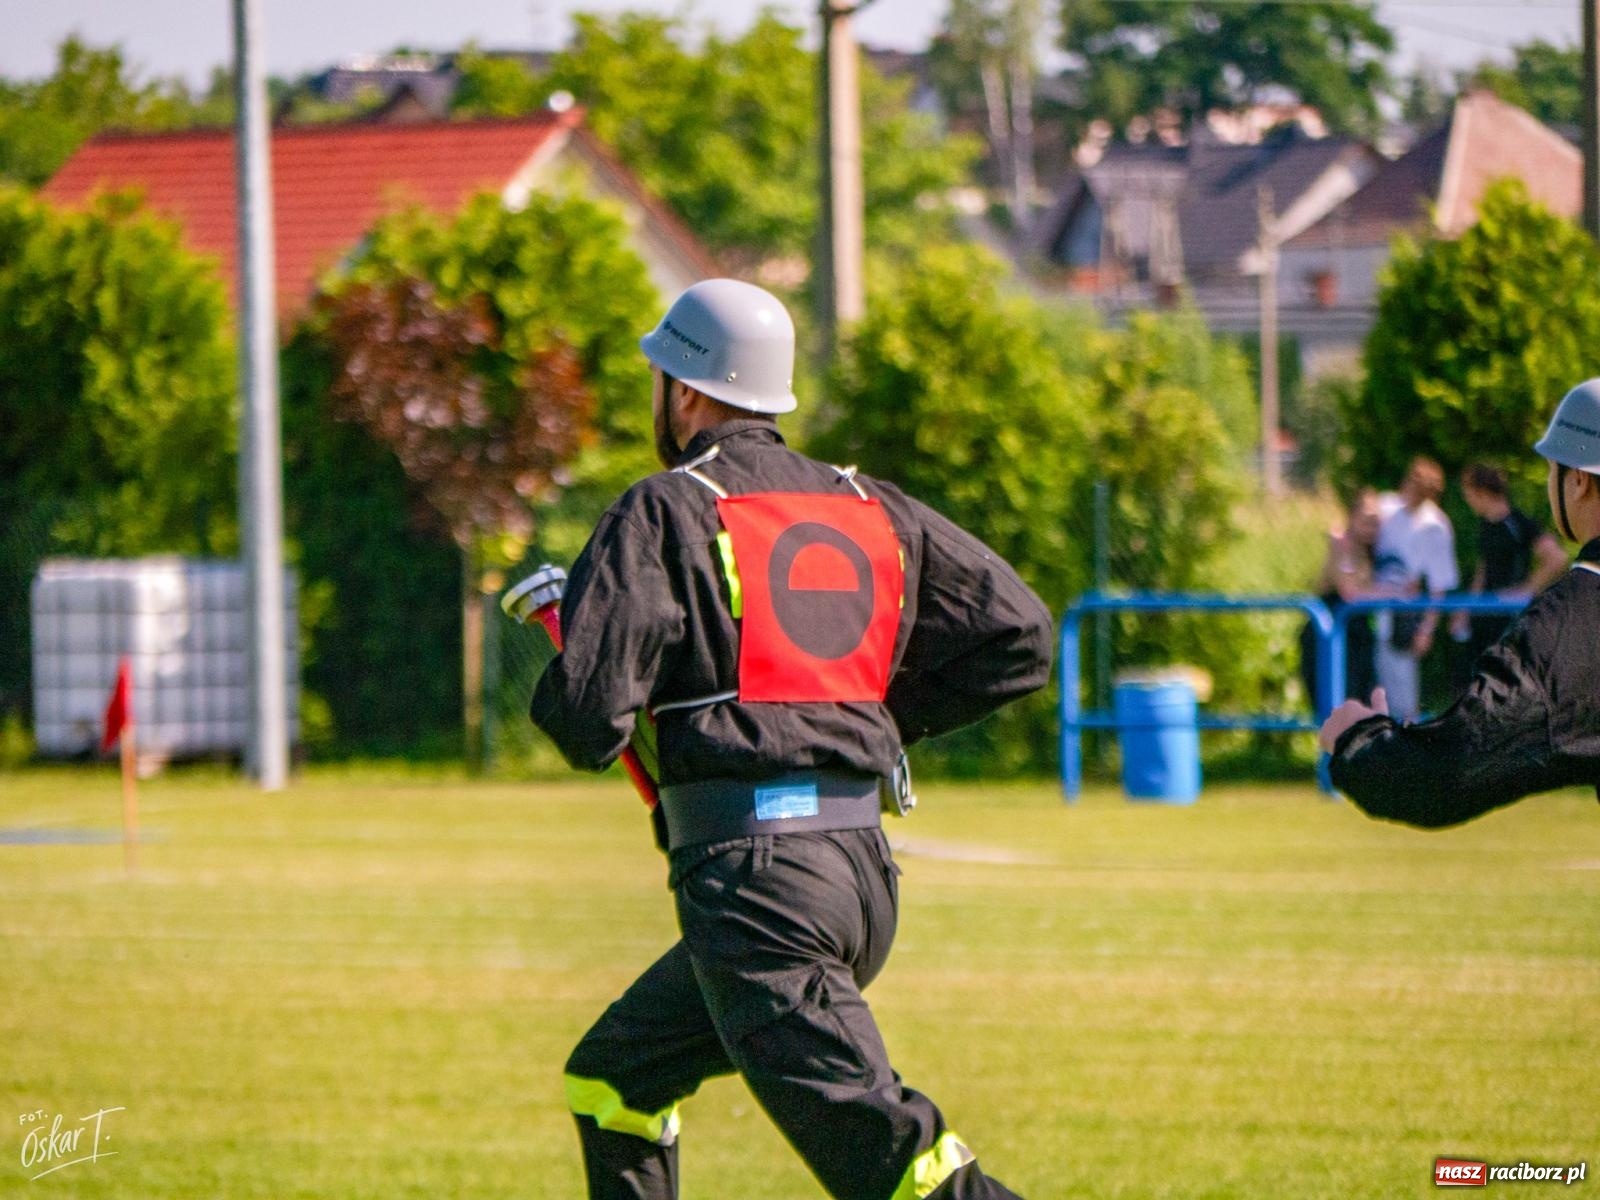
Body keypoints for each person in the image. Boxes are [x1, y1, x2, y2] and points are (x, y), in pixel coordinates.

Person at [529, 278, 1052, 1200]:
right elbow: (1020, 637)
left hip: (757, 890)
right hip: (856, 876)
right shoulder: (867, 503)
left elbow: (586, 722)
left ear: (685, 391)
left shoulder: (662, 509)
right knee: (616, 1078)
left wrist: (584, 640)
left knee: (894, 1164)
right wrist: (875, 723)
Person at [1319, 379, 1600, 825]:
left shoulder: (1574, 623)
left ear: (1579, 480)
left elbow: (1450, 773)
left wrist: (1359, 740)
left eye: (1553, 469)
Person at [1448, 463, 1567, 689]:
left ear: (1481, 491)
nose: (1467, 500)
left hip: (1510, 617)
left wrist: (1526, 589)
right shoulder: (1485, 525)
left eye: (1468, 493)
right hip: (1484, 615)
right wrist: (1466, 608)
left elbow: (1557, 558)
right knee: (1469, 682)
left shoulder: (1518, 522)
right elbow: (1484, 569)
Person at [1370, 457, 1459, 722]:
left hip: (1403, 618)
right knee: (1370, 693)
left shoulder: (1436, 525)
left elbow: (1438, 585)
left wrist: (1427, 629)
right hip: (1368, 609)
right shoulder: (1385, 508)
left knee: (1403, 699)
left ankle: (1403, 757)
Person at [1298, 489, 1382, 709]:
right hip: (1330, 635)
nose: (1372, 528)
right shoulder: (1341, 544)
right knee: (1338, 708)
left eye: (1376, 522)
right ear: (1352, 517)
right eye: (1367, 520)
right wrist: (1395, 593)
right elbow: (1349, 592)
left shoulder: (1368, 550)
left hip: (1357, 636)